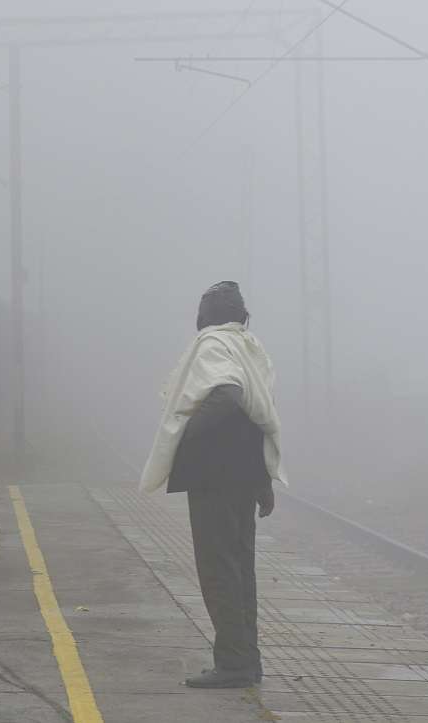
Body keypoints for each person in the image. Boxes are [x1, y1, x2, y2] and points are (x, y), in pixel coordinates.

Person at [139, 281, 285, 689]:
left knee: (219, 570)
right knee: (241, 570)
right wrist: (263, 481)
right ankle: (246, 661)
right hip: (243, 476)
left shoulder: (212, 346)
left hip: (215, 479)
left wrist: (184, 437)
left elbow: (227, 395)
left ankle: (233, 664)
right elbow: (258, 415)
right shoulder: (250, 348)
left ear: (204, 317)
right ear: (241, 316)